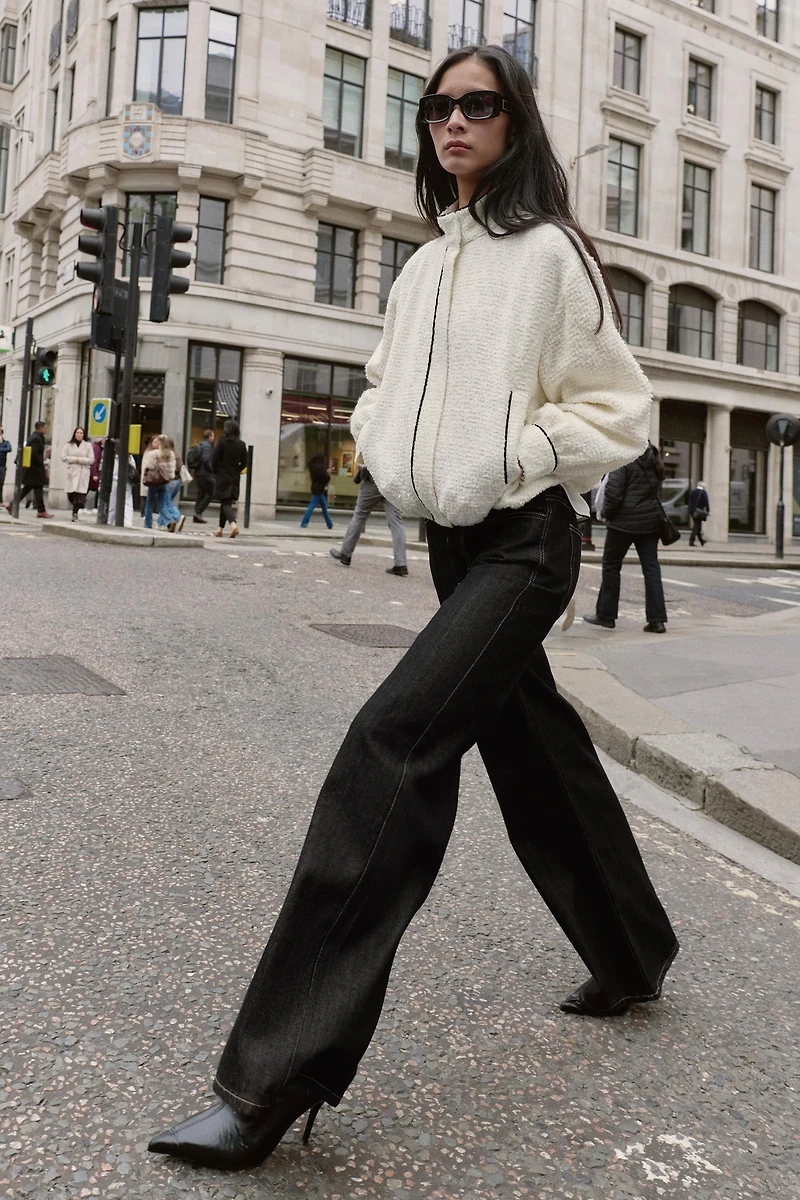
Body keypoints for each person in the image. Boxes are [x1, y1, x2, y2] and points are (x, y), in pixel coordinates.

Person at [150, 44, 678, 1173]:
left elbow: (618, 409)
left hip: (525, 543)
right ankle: (633, 953)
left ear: (514, 121)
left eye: (477, 104)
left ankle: (272, 1078)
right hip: (451, 542)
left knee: (390, 746)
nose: (452, 122)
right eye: (437, 107)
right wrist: (389, 453)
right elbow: (383, 385)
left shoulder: (550, 254)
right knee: (535, 749)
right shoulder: (424, 265)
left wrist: (516, 456)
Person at [584, 442, 668, 634]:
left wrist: (607, 514)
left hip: (623, 523)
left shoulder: (625, 458)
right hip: (650, 522)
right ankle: (657, 620)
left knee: (611, 565)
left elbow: (613, 493)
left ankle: (606, 615)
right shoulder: (654, 459)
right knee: (651, 569)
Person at [330, 464, 408, 575]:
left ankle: (345, 553)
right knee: (396, 521)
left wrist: (363, 471)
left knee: (359, 514)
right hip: (394, 481)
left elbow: (367, 458)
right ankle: (400, 564)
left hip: (374, 478)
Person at [8, 421, 52, 518]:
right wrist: (40, 463)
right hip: (34, 470)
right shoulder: (36, 438)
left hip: (33, 470)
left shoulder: (36, 437)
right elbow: (34, 454)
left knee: (33, 489)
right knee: (32, 489)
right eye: (45, 427)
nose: (46, 429)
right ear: (40, 428)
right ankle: (40, 510)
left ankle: (40, 510)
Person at [212, 418, 247, 538]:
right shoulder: (241, 445)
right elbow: (244, 463)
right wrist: (237, 470)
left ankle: (233, 525)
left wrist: (216, 470)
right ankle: (220, 529)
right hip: (234, 476)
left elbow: (214, 458)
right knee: (226, 502)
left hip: (223, 474)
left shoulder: (222, 442)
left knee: (225, 502)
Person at [141, 435, 182, 532]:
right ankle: (170, 521)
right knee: (162, 504)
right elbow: (172, 469)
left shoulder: (154, 453)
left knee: (149, 503)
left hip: (154, 481)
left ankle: (148, 524)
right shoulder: (171, 454)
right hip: (165, 481)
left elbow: (149, 466)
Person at [61, 427, 95, 521]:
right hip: (72, 471)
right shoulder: (68, 445)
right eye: (77, 433)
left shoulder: (88, 445)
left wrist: (79, 460)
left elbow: (91, 459)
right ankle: (74, 508)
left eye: (81, 433)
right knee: (71, 493)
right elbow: (63, 457)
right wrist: (73, 459)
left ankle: (75, 512)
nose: (79, 435)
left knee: (80, 494)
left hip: (83, 471)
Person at [299, 452, 333, 529]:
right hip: (319, 489)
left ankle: (329, 524)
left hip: (315, 487)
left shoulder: (313, 467)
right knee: (312, 506)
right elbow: (325, 478)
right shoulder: (320, 468)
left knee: (324, 507)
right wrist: (328, 473)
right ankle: (304, 522)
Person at [188, 428, 215, 523]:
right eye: (213, 436)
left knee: (201, 493)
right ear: (209, 436)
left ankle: (197, 515)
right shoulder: (207, 446)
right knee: (211, 492)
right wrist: (212, 470)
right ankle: (198, 512)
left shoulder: (200, 444)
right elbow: (206, 459)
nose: (213, 438)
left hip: (198, 472)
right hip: (204, 473)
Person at [688, 480, 710, 547]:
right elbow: (706, 502)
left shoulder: (693, 492)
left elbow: (690, 500)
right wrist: (708, 510)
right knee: (697, 525)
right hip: (699, 511)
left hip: (692, 510)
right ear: (703, 486)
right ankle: (691, 540)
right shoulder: (703, 492)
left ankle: (701, 541)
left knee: (698, 525)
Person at [0, 428, 11, 501]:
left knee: (1, 483)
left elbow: (9, 449)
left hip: (2, 465)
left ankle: (0, 500)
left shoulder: (6, 443)